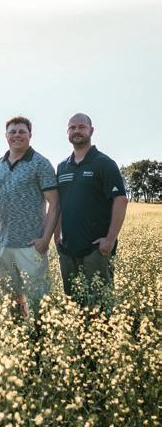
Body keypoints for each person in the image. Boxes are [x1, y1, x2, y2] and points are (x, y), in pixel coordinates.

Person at [0, 116, 59, 316]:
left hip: (31, 246)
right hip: (2, 245)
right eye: (12, 132)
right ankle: (16, 331)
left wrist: (45, 240)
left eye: (22, 132)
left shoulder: (40, 163)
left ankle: (38, 333)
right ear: (6, 136)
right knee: (10, 301)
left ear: (30, 135)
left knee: (38, 302)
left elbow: (55, 203)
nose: (17, 135)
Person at [56, 113, 127, 299]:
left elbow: (120, 200)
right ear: (67, 132)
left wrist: (109, 240)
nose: (76, 131)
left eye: (81, 127)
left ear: (91, 130)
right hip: (68, 249)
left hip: (96, 249)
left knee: (100, 303)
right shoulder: (62, 167)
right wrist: (56, 235)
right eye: (72, 128)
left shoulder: (104, 163)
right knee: (73, 301)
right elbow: (59, 203)